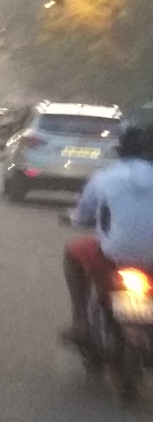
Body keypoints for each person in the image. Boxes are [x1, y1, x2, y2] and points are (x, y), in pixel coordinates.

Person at [63, 112, 153, 345]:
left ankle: (81, 322)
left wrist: (73, 218)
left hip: (114, 256)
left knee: (73, 252)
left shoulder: (106, 177)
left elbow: (83, 214)